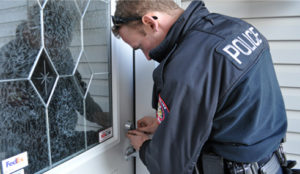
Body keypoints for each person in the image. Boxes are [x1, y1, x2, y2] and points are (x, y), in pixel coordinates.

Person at [112, 0, 300, 174]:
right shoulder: (235, 28)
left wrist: (144, 146)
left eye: (140, 46)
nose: (147, 56)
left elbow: (170, 165)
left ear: (151, 23)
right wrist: (167, 123)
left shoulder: (187, 68)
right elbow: (230, 106)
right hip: (272, 164)